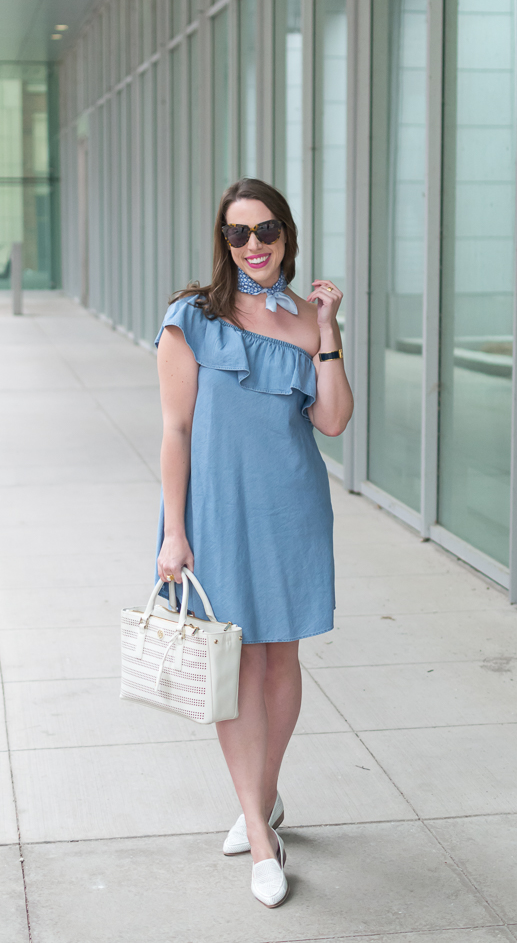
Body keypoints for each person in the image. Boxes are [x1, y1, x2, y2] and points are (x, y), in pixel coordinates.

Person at [154, 178, 353, 907]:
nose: (254, 246)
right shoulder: (191, 319)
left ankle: (257, 803)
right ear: (223, 242)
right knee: (233, 668)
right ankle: (262, 838)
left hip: (293, 509)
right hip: (217, 512)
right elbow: (175, 431)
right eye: (238, 234)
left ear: (286, 234)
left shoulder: (306, 318)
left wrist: (328, 331)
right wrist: (175, 531)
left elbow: (332, 421)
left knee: (279, 661)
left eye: (266, 230)